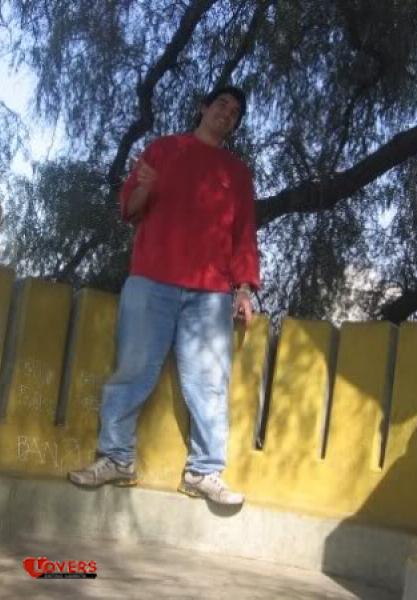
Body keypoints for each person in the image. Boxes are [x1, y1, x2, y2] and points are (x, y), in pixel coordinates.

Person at [68, 86, 260, 505]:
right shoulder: (163, 149)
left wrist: (244, 287)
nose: (227, 113)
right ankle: (116, 458)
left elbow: (244, 232)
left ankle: (204, 471)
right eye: (221, 104)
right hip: (152, 279)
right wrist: (146, 188)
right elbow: (129, 208)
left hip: (211, 292)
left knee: (209, 382)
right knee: (133, 370)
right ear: (203, 108)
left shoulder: (237, 173)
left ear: (235, 125)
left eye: (235, 112)